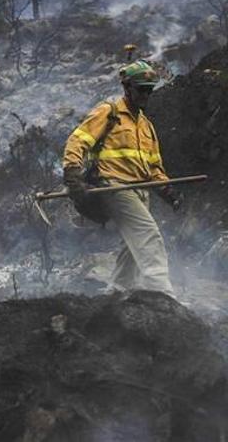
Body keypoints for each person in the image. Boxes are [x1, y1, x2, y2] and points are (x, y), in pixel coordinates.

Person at [62, 59, 179, 296]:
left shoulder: (146, 126)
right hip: (114, 186)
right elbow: (78, 140)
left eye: (149, 90)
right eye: (141, 89)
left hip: (140, 190)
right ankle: (163, 294)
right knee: (148, 235)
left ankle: (116, 291)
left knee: (132, 244)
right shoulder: (109, 112)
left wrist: (167, 190)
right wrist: (72, 174)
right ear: (127, 88)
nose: (146, 94)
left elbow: (153, 166)